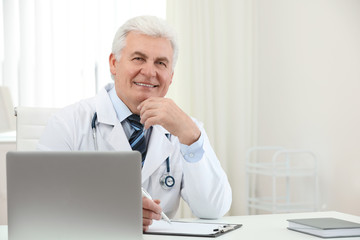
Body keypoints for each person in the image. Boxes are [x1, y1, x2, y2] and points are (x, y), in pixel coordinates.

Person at [38, 15, 232, 231]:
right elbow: (40, 204)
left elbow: (213, 209)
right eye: (138, 58)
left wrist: (191, 137)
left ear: (171, 75)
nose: (149, 72)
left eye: (161, 63)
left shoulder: (186, 129)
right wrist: (110, 211)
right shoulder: (68, 124)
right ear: (114, 63)